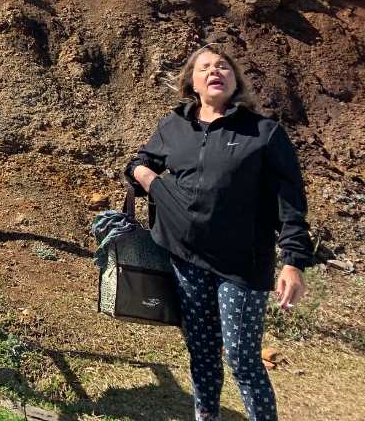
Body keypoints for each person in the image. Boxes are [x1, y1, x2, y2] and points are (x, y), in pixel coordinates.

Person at [126, 45, 314, 421]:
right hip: (186, 260)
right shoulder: (173, 126)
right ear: (192, 83)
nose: (216, 71)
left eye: (224, 67)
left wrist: (293, 262)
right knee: (202, 353)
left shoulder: (263, 133)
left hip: (242, 266)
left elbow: (289, 203)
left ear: (235, 81)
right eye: (206, 67)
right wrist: (149, 179)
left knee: (243, 359)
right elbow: (140, 162)